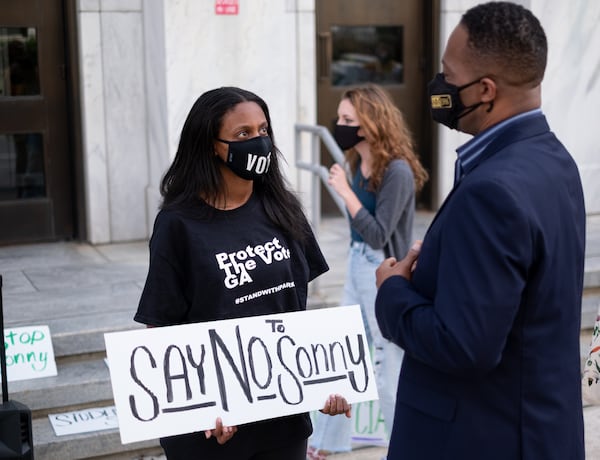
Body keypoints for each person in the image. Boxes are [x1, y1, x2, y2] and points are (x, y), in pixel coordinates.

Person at [374, 2, 586, 460]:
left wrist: (392, 292)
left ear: (485, 90)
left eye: (449, 76)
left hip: (477, 437)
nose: (440, 85)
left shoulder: (492, 191)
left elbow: (464, 346)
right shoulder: (556, 161)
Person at [134, 86, 351, 460]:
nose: (258, 142)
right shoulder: (177, 224)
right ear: (209, 146)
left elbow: (295, 310)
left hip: (282, 420)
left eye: (263, 130)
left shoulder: (284, 209)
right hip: (212, 426)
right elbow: (161, 329)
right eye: (243, 134)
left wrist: (325, 382)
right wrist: (199, 406)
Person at [308, 84, 428, 459]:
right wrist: (349, 185)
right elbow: (359, 235)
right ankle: (326, 441)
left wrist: (345, 192)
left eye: (348, 120)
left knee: (387, 363)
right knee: (346, 353)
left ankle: (404, 445)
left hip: (384, 270)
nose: (340, 125)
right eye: (340, 119)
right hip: (358, 262)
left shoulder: (398, 172)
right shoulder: (354, 164)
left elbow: (379, 232)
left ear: (371, 123)